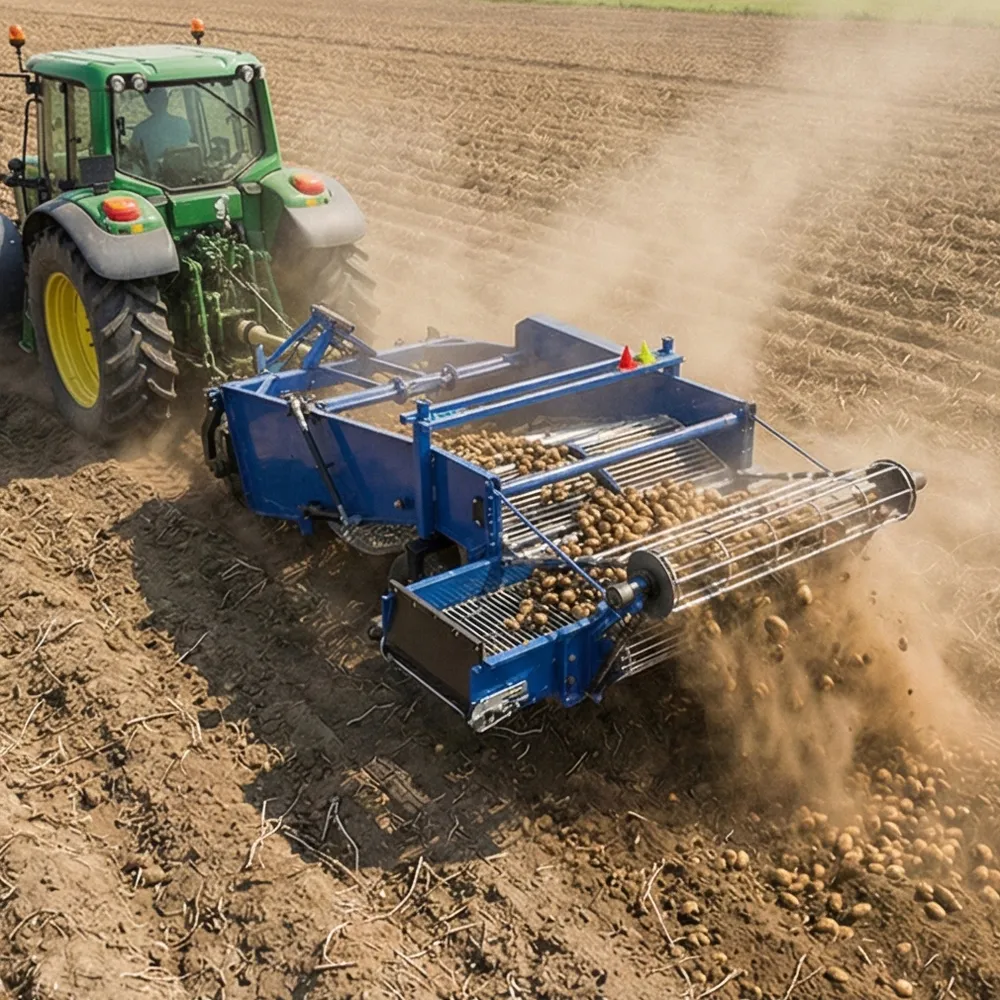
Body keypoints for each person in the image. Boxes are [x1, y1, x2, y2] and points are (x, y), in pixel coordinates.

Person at [131, 89, 191, 167]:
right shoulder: (183, 123)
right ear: (166, 101)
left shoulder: (139, 130)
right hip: (185, 169)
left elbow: (133, 155)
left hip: (155, 176)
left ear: (148, 104)